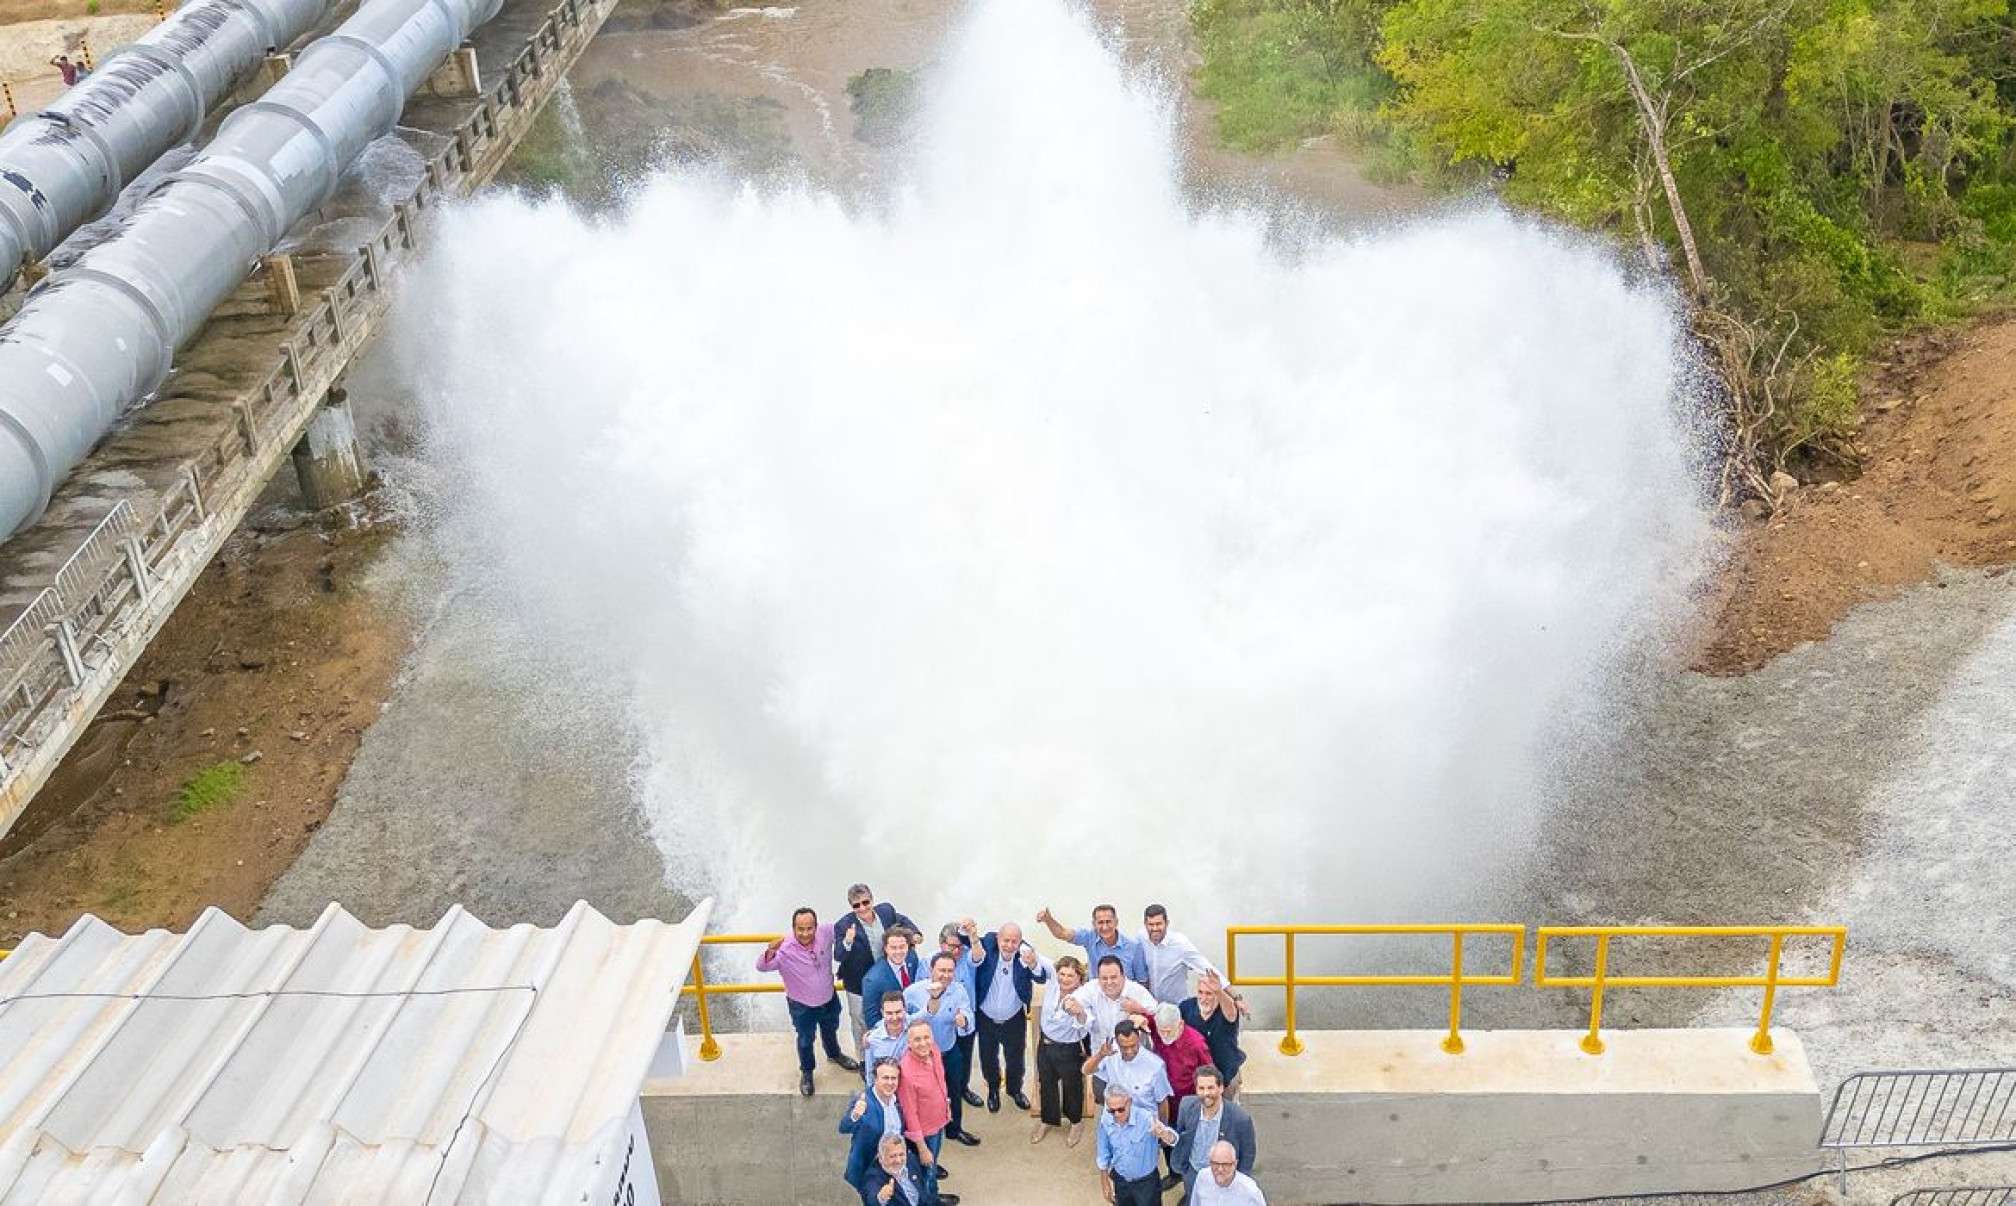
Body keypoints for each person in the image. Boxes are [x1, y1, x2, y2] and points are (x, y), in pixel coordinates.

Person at [757, 907, 861, 1095]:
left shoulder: (826, 932)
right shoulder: (785, 949)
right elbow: (762, 967)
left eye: (809, 928)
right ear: (793, 928)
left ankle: (834, 1054)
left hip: (828, 998)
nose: (805, 933)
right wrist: (770, 951)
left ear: (816, 926)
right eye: (800, 929)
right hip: (801, 1006)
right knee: (806, 1039)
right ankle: (807, 1072)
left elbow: (847, 923)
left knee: (831, 1028)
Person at [904, 950, 981, 1147]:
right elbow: (904, 1021)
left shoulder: (959, 990)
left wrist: (964, 1021)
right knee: (925, 1099)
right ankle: (926, 1137)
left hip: (948, 1050)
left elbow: (968, 1015)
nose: (945, 975)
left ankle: (954, 1130)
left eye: (950, 971)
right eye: (941, 970)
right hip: (923, 1058)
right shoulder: (913, 992)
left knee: (954, 1092)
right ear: (931, 970)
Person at [971, 920, 1047, 1113]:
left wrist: (1033, 964)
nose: (1009, 945)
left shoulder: (1025, 954)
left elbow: (1041, 977)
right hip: (986, 1017)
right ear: (998, 938)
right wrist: (968, 928)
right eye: (1005, 940)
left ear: (1020, 942)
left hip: (1014, 1019)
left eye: (1014, 941)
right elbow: (965, 938)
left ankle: (1015, 1090)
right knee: (988, 1057)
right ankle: (993, 1090)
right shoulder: (988, 945)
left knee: (1015, 1058)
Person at [835, 885, 918, 1062]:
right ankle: (865, 1059)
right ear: (851, 907)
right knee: (861, 1023)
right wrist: (848, 941)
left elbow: (902, 920)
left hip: (887, 974)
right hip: (858, 984)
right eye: (857, 905)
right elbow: (838, 956)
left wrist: (915, 933)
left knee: (892, 1013)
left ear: (872, 900)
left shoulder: (886, 911)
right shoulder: (843, 925)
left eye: (866, 902)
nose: (863, 908)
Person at [1138, 905, 1247, 1013]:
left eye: (1158, 924)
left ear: (1167, 923)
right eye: (1151, 924)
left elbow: (1207, 969)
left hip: (1178, 1009)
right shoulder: (1140, 939)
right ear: (1145, 924)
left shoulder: (1180, 944)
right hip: (1151, 1009)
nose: (1155, 928)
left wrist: (1236, 997)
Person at [1171, 1066, 1257, 1201]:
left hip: (1222, 1176)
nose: (1206, 1093)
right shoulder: (1186, 1106)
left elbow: (1248, 1155)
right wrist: (1186, 1170)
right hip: (1193, 1173)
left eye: (1210, 1088)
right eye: (1201, 1088)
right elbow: (1182, 1135)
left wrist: (1236, 1182)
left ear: (1221, 1088)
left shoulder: (1240, 1119)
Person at [1033, 954, 1092, 1146]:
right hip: (1046, 1044)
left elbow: (1086, 1023)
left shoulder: (1083, 997)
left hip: (1069, 1049)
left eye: (1070, 976)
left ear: (1079, 978)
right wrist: (1030, 957)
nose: (1064, 979)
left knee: (1072, 1086)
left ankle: (1075, 1122)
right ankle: (1047, 1119)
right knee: (1046, 1082)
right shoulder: (1052, 983)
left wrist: (1079, 1012)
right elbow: (1039, 958)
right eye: (1062, 974)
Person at [896, 1020, 957, 1201]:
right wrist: (922, 1149)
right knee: (927, 1172)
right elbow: (910, 1113)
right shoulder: (906, 1072)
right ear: (908, 1043)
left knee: (932, 1163)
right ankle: (931, 1199)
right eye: (917, 1040)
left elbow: (940, 1081)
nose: (923, 1043)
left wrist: (946, 1107)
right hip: (925, 1133)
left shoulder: (934, 1051)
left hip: (939, 1123)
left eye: (926, 1037)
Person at [1097, 1085, 1178, 1206]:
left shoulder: (1146, 1118)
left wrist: (1165, 1134)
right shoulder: (1106, 1121)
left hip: (1147, 1183)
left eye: (1120, 1109)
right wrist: (1104, 1182)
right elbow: (1103, 1153)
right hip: (1121, 1180)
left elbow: (1174, 1139)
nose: (1116, 1114)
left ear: (1129, 1102)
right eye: (1111, 1110)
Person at [840, 1058, 907, 1195]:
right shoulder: (864, 1101)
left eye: (893, 1078)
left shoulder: (898, 1100)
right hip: (871, 1167)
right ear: (875, 1079)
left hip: (895, 1163)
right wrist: (855, 1115)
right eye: (885, 1078)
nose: (890, 1083)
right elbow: (843, 1127)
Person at [1074, 953, 1158, 1057]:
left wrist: (1139, 1009)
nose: (1109, 982)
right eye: (1104, 978)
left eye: (1113, 977)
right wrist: (1071, 1006)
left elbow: (1158, 1016)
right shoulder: (1091, 988)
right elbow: (1072, 1001)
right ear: (1098, 978)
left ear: (1123, 976)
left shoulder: (1137, 991)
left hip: (1133, 1057)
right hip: (1102, 1057)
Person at [1087, 1019, 1172, 1120]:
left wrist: (1162, 1130)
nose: (1129, 1051)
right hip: (1115, 1123)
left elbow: (1162, 1102)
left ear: (1139, 1039)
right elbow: (1087, 1071)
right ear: (1117, 1043)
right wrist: (1100, 1055)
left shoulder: (1156, 1065)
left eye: (1133, 1046)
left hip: (1144, 1126)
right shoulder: (1110, 1056)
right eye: (1124, 1047)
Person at [1039, 903, 1147, 982]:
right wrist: (1048, 920)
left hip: (1125, 1000)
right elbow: (1062, 933)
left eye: (1108, 922)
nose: (1105, 927)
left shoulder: (1134, 946)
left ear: (1116, 922)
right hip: (1097, 999)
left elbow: (1142, 981)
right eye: (1100, 922)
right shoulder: (1089, 937)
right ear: (1094, 924)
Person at [1180, 974, 1247, 1098]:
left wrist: (1219, 991)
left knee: (1228, 1112)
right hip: (1200, 1079)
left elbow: (1231, 1013)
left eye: (1209, 994)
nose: (1204, 998)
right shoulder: (1186, 1007)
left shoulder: (1226, 1010)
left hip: (1226, 1075)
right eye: (1200, 992)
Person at [1150, 1003, 1214, 1112]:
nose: (1164, 1036)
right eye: (1161, 1031)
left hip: (1188, 1103)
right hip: (1162, 1100)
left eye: (1169, 1031)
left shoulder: (1196, 1044)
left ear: (1180, 1024)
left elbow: (1209, 1072)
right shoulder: (1156, 1027)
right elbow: (1146, 1018)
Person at [859, 1133, 954, 1206]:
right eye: (892, 1156)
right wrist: (881, 1198)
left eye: (901, 1154)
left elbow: (923, 1188)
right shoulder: (872, 1178)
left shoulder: (911, 1160)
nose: (898, 1160)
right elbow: (870, 1198)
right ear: (881, 1157)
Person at [861, 927, 923, 1036]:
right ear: (885, 948)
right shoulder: (872, 980)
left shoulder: (912, 957)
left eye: (902, 947)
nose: (898, 952)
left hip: (915, 1025)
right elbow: (872, 1018)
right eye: (893, 948)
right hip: (893, 1031)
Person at [1187, 1140, 1265, 1205]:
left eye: (1225, 1164)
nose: (1220, 1169)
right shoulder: (1202, 1177)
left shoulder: (1250, 1190)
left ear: (1235, 1164)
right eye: (1216, 1164)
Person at [863, 991, 913, 1075]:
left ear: (905, 1010)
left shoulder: (914, 1027)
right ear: (882, 1013)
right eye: (889, 1013)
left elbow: (927, 1013)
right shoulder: (872, 1040)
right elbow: (870, 1071)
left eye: (898, 1012)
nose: (894, 1018)